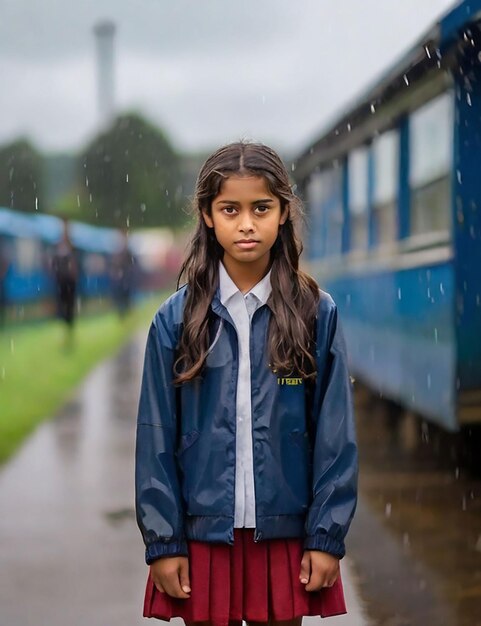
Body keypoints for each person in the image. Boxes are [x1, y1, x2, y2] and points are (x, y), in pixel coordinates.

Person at [135, 142, 358, 626]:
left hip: (283, 535)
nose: (247, 223)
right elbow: (155, 438)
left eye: (261, 208)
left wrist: (325, 536)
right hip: (200, 538)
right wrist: (164, 541)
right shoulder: (174, 322)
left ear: (283, 213)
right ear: (208, 215)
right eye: (230, 209)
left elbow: (335, 436)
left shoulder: (316, 314)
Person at [52, 219, 78, 345]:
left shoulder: (71, 247)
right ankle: (65, 332)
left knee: (69, 309)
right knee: (63, 308)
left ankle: (68, 333)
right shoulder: (59, 246)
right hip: (62, 283)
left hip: (69, 283)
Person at [110, 229, 137, 318]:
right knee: (120, 298)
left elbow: (132, 265)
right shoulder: (117, 251)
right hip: (120, 281)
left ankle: (127, 312)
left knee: (126, 298)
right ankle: (122, 314)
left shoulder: (127, 252)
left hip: (127, 279)